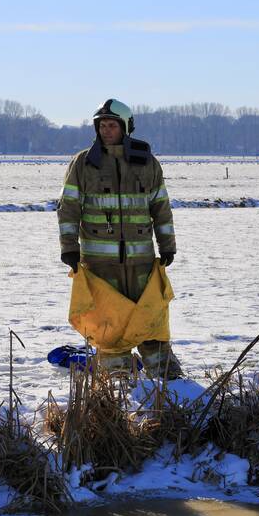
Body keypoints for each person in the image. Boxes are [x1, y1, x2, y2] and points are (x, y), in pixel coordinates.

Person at [57, 98, 183, 378]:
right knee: (109, 329)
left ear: (126, 127)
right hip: (100, 267)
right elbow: (68, 209)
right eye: (102, 125)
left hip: (141, 264)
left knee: (151, 322)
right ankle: (116, 385)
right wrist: (69, 249)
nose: (106, 130)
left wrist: (167, 246)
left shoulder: (147, 164)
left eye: (112, 125)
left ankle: (168, 381)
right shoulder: (82, 164)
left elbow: (160, 208)